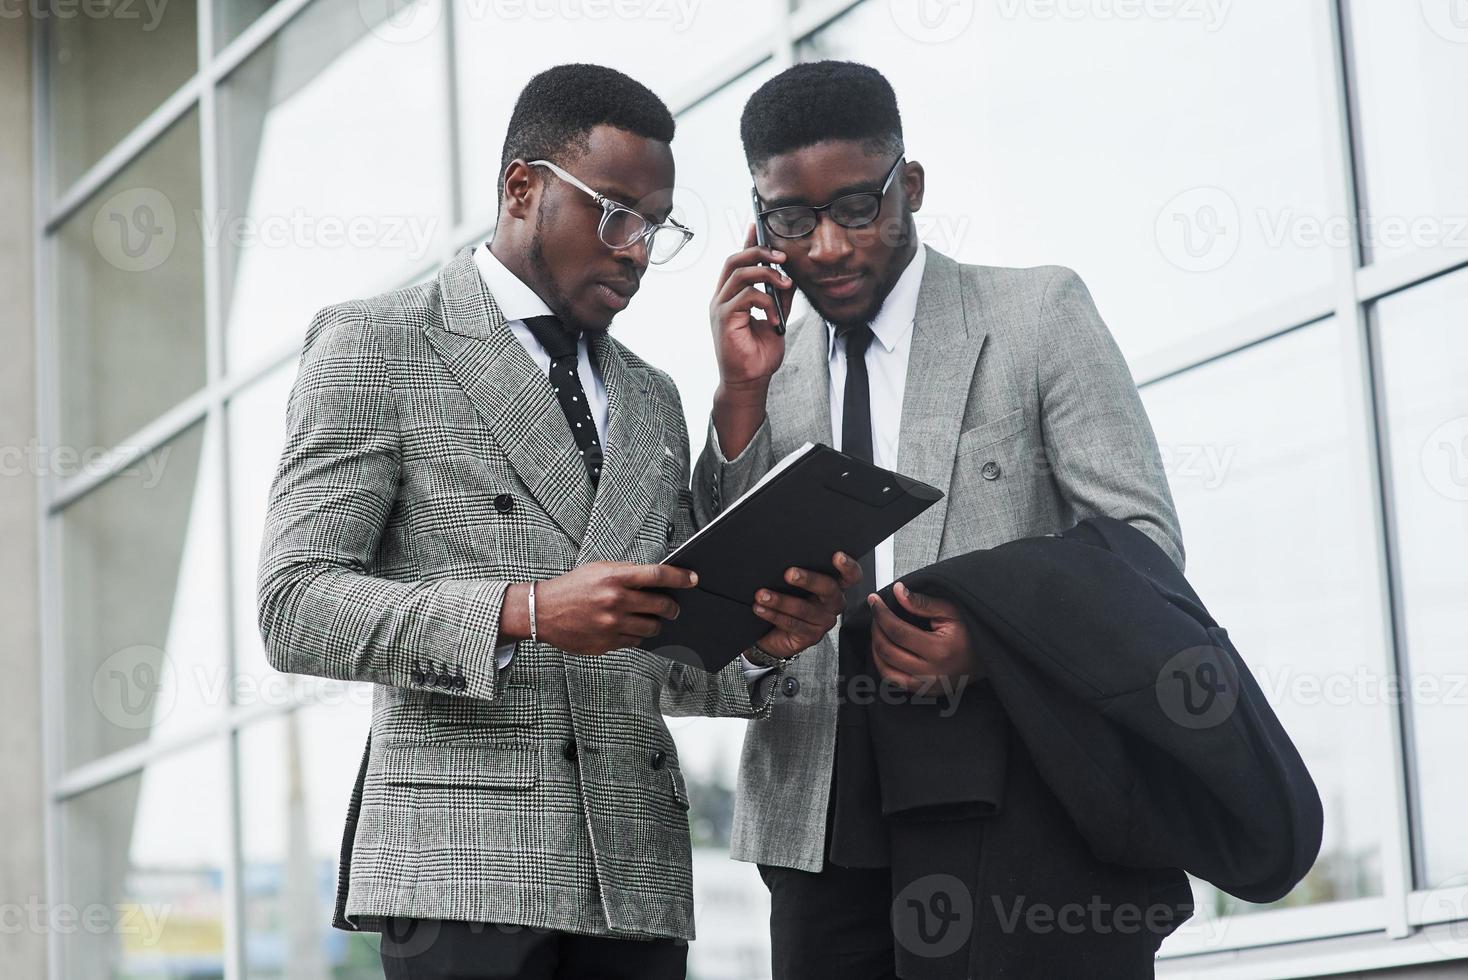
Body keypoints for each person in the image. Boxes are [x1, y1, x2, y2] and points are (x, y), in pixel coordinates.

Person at [256, 63, 855, 980]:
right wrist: (523, 610)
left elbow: (666, 658)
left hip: (637, 877)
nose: (638, 251)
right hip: (462, 872)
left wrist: (768, 643)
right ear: (523, 188)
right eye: (615, 213)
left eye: (655, 226)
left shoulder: (652, 398)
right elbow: (293, 606)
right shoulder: (381, 342)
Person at [694, 60, 1185, 979]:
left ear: (909, 187)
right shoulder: (765, 369)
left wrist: (989, 637)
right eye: (791, 220)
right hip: (819, 817)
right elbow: (716, 600)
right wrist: (737, 396)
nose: (829, 247)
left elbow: (1144, 548)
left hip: (1012, 793)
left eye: (856, 208)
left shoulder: (1036, 313)